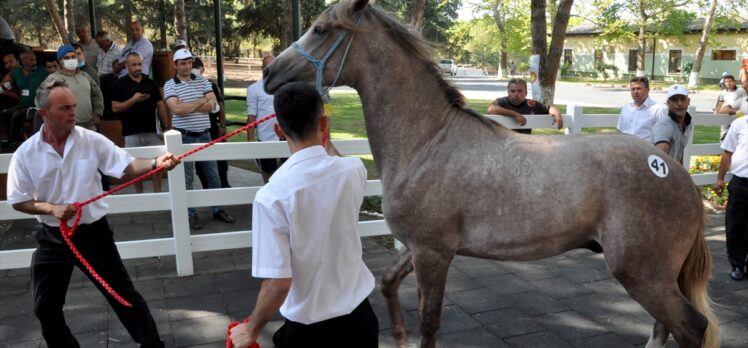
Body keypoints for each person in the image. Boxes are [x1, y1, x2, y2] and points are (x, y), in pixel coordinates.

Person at [5, 77, 180, 348]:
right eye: (64, 108)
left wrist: (157, 162)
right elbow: (18, 200)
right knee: (44, 307)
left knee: (124, 297)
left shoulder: (91, 140)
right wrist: (51, 208)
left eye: (73, 106)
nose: (73, 112)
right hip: (53, 239)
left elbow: (127, 167)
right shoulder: (25, 154)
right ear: (44, 113)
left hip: (93, 234)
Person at [229, 81, 378, 348]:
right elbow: (333, 160)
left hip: (311, 334)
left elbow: (278, 282)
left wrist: (250, 330)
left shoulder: (272, 196)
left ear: (277, 130)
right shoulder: (354, 170)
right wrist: (324, 135)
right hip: (361, 322)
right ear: (323, 124)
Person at [163, 48, 234, 230]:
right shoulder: (170, 85)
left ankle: (217, 209)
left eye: (189, 62)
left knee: (213, 175)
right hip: (183, 136)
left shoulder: (203, 81)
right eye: (183, 63)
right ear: (175, 65)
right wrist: (200, 101)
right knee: (186, 178)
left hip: (204, 134)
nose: (187, 66)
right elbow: (176, 110)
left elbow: (213, 105)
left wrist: (188, 105)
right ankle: (191, 213)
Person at [112, 52, 169, 193]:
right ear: (126, 66)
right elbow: (115, 108)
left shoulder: (150, 82)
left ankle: (157, 193)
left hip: (152, 131)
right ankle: (140, 195)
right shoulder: (119, 84)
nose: (137, 67)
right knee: (134, 167)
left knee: (159, 163)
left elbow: (160, 105)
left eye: (139, 64)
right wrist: (134, 100)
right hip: (131, 132)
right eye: (133, 64)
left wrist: (166, 127)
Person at [716, 111, 748, 281]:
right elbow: (727, 153)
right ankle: (737, 264)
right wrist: (720, 178)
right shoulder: (739, 124)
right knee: (735, 226)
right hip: (741, 183)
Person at [43, 44, 103, 131]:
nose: (71, 60)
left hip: (89, 126)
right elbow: (41, 101)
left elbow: (97, 94)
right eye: (66, 58)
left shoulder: (85, 75)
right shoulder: (54, 79)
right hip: (67, 128)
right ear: (60, 61)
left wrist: (98, 113)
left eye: (73, 57)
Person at [247, 55, 286, 182]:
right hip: (265, 136)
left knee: (286, 169)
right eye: (267, 67)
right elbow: (251, 115)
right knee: (267, 170)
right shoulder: (254, 89)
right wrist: (250, 139)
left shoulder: (286, 86)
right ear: (262, 68)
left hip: (286, 135)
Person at [192, 57, 230, 188]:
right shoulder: (186, 86)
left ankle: (223, 183)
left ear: (202, 69)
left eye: (196, 66)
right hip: (196, 129)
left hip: (212, 128)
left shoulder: (211, 85)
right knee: (199, 161)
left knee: (219, 158)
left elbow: (220, 106)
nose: (193, 69)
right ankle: (206, 187)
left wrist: (223, 125)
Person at [487, 78, 563, 133]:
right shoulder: (502, 101)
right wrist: (514, 114)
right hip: (504, 142)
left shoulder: (530, 104)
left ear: (526, 93)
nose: (516, 94)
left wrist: (557, 114)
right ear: (508, 92)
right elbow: (491, 109)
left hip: (525, 143)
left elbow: (549, 108)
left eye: (520, 91)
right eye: (512, 91)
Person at [6, 50, 48, 147]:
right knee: (4, 114)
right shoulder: (16, 73)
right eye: (31, 60)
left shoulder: (42, 72)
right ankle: (6, 141)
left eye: (35, 59)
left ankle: (13, 143)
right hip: (22, 105)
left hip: (35, 106)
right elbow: (7, 83)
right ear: (23, 61)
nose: (34, 62)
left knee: (16, 115)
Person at [616, 76, 667, 142]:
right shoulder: (626, 108)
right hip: (625, 148)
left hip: (646, 150)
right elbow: (620, 131)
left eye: (639, 88)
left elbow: (663, 136)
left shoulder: (658, 110)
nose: (635, 92)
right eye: (633, 89)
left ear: (648, 90)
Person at [652, 85, 692, 165]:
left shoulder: (688, 123)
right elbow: (660, 161)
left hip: (672, 172)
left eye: (682, 99)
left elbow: (680, 151)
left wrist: (682, 173)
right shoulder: (664, 125)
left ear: (688, 101)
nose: (679, 103)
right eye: (674, 100)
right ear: (668, 103)